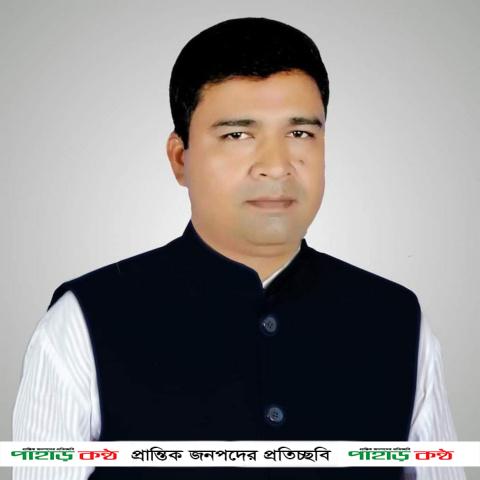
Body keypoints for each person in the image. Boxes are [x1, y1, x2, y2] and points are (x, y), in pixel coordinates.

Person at [12, 17, 464, 480]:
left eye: (300, 133)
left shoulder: (397, 320)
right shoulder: (84, 321)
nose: (276, 166)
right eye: (237, 135)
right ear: (180, 158)